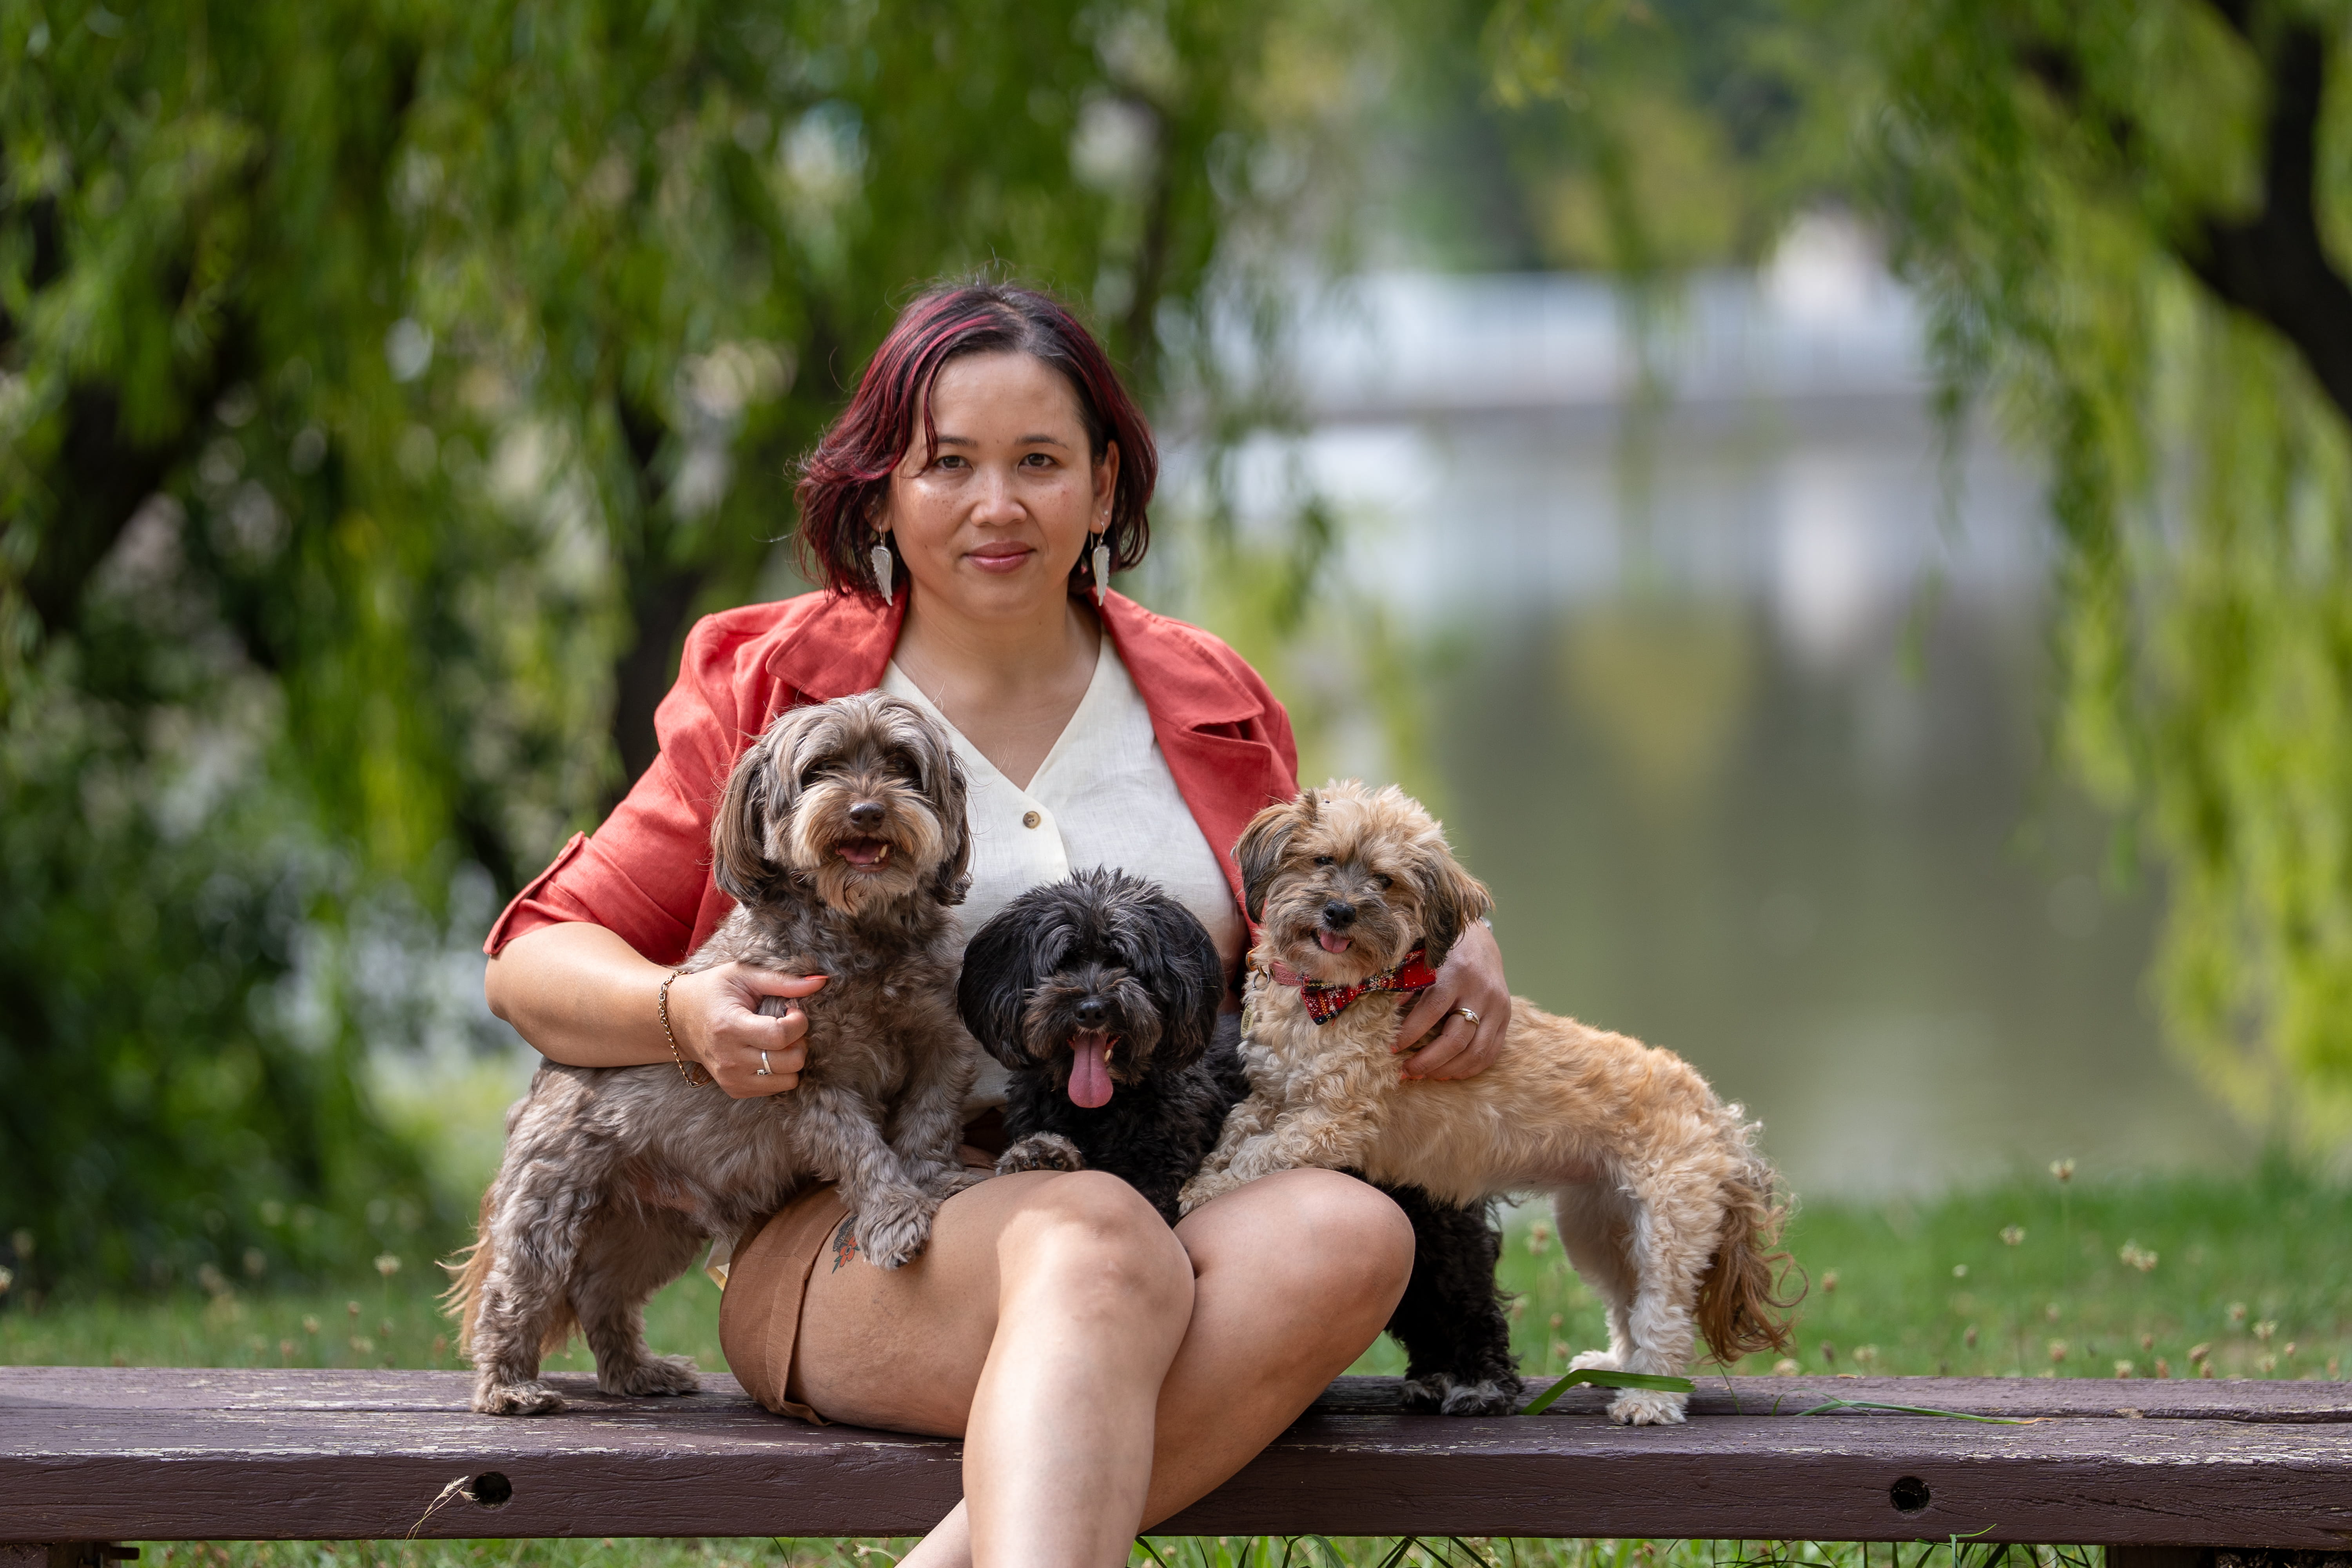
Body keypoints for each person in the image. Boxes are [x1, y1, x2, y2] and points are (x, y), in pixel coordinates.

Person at [481, 281, 1513, 1568]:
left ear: (1104, 485)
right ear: (881, 491)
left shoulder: (1210, 698)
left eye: (1040, 462)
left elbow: (1318, 933)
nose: (996, 505)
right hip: (863, 1232)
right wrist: (680, 1015)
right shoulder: (774, 688)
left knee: (1355, 1229)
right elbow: (536, 958)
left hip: (1180, 1204)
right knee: (1088, 1236)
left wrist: (1454, 940)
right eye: (948, 464)